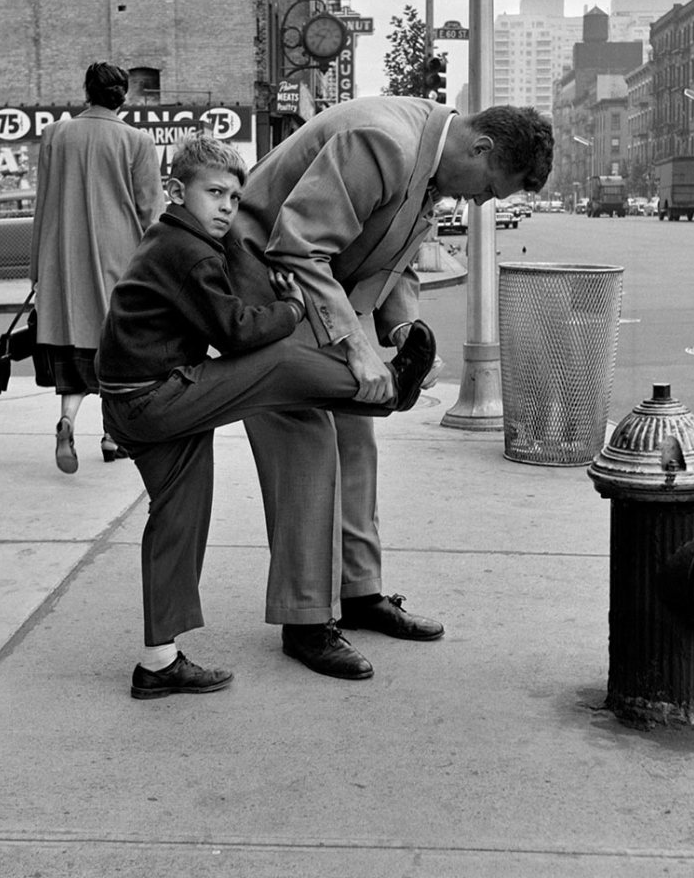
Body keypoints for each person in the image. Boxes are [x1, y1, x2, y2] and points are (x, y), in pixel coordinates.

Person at [223, 96, 554, 680]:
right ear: (480, 147)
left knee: (357, 436)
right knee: (305, 442)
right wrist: (355, 347)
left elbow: (394, 261)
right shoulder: (382, 142)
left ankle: (359, 592)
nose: (480, 202)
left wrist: (403, 333)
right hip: (263, 293)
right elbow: (298, 246)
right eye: (489, 189)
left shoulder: (429, 161)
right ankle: (305, 620)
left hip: (313, 291)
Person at [96, 136, 436, 699]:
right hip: (155, 397)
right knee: (275, 364)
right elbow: (236, 332)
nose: (227, 207)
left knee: (178, 521)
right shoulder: (189, 251)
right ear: (176, 191)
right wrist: (294, 307)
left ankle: (158, 662)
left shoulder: (174, 240)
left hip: (134, 401)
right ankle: (387, 389)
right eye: (213, 193)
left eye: (235, 197)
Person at [30, 61, 165, 474]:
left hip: (64, 263)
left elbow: (42, 206)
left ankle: (67, 420)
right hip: (121, 262)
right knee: (117, 353)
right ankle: (112, 436)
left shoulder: (55, 135)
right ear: (124, 97)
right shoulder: (137, 141)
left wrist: (38, 271)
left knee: (74, 356)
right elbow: (151, 213)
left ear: (86, 92)